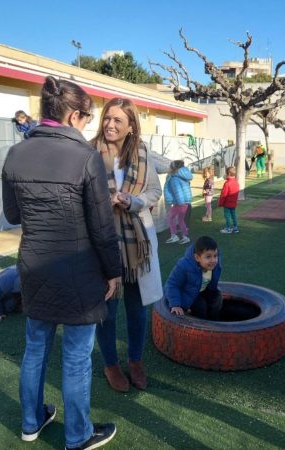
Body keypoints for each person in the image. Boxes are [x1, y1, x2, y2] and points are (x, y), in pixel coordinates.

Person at [2, 76, 121, 449]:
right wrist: (113, 271)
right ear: (73, 115)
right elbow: (102, 227)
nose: (88, 124)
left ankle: (31, 422)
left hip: (34, 266)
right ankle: (78, 436)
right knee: (75, 357)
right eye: (87, 117)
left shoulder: (16, 153)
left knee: (35, 347)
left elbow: (12, 213)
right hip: (79, 273)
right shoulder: (85, 157)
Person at [90, 97, 163, 393]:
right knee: (107, 309)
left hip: (136, 244)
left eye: (118, 120)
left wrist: (133, 201)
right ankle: (111, 364)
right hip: (103, 242)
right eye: (107, 118)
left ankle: (135, 361)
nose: (110, 125)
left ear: (131, 126)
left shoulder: (143, 152)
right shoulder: (90, 152)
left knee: (137, 308)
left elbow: (155, 191)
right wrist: (100, 204)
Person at [165, 235, 223, 320]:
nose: (213, 260)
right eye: (208, 257)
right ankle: (201, 327)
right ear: (197, 257)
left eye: (215, 256)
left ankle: (214, 321)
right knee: (200, 306)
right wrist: (175, 304)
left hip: (201, 289)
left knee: (217, 297)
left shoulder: (214, 264)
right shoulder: (184, 266)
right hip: (187, 293)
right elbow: (172, 284)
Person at [163, 160, 193, 245]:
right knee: (180, 219)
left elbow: (178, 191)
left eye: (170, 167)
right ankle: (185, 236)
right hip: (186, 202)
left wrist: (179, 202)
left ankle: (174, 235)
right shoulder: (183, 176)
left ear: (174, 168)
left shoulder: (174, 178)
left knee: (170, 218)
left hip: (180, 203)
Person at [218, 166, 240, 234]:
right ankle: (235, 227)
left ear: (228, 174)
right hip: (234, 203)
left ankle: (228, 228)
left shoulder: (227, 183)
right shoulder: (236, 182)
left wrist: (220, 203)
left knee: (227, 216)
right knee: (234, 215)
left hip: (227, 204)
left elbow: (223, 195)